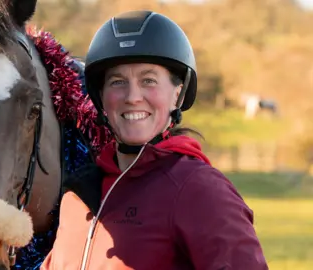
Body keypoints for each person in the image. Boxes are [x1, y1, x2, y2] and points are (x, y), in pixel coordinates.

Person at [40, 10, 269, 270]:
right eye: (118, 82)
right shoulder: (78, 196)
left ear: (177, 95)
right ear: (100, 96)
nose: (132, 96)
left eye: (148, 80)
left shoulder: (199, 189)